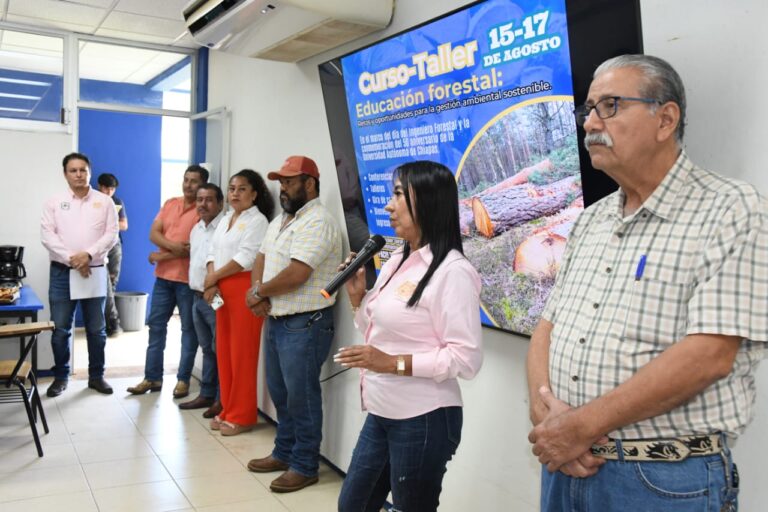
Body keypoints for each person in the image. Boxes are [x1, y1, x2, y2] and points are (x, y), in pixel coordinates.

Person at [526, 54, 768, 511]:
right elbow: (548, 327)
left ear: (666, 119)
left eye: (610, 106)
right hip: (565, 462)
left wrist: (578, 427)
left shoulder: (733, 209)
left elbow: (710, 355)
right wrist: (546, 417)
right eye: (588, 109)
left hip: (662, 480)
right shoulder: (590, 220)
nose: (591, 123)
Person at [335, 161, 484, 512]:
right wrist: (357, 298)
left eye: (399, 195)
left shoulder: (453, 271)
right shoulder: (397, 260)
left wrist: (390, 363)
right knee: (352, 505)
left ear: (428, 201)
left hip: (425, 418)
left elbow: (466, 359)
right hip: (382, 410)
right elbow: (380, 330)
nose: (389, 205)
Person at [245, 155, 342, 493]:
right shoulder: (282, 220)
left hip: (305, 323)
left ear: (310, 183)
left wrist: (259, 292)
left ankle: (304, 464)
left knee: (301, 396)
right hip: (278, 320)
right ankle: (284, 452)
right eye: (281, 182)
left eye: (289, 181)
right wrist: (259, 294)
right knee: (281, 392)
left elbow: (298, 274)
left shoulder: (318, 221)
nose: (282, 188)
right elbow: (261, 257)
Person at [41, 152, 118, 397]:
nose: (78, 174)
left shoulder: (104, 202)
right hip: (63, 273)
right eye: (73, 170)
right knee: (62, 329)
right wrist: (73, 259)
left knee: (97, 329)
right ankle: (61, 377)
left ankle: (97, 376)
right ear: (65, 174)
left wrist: (88, 255)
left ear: (89, 172)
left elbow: (111, 234)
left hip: (93, 270)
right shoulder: (54, 201)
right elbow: (48, 236)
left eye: (82, 170)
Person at [127, 165, 207, 399]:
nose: (188, 185)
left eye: (194, 181)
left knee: (188, 331)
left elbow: (193, 250)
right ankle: (152, 377)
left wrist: (159, 254)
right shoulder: (170, 203)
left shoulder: (202, 210)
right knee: (156, 329)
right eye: (186, 180)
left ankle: (183, 380)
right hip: (162, 279)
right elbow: (154, 234)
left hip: (187, 281)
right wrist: (173, 248)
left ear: (202, 184)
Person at [205, 169, 274, 435]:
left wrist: (212, 279)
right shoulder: (225, 219)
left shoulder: (258, 221)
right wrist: (212, 279)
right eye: (232, 188)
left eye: (242, 189)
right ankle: (227, 408)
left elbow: (246, 257)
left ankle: (243, 415)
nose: (235, 193)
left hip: (243, 287)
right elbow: (212, 250)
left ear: (255, 194)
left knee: (242, 355)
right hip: (222, 287)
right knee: (224, 352)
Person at [178, 183, 225, 418]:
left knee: (220, 349)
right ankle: (206, 393)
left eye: (208, 200)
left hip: (216, 298)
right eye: (199, 199)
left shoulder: (225, 227)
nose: (203, 205)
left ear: (220, 203)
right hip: (195, 296)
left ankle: (221, 398)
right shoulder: (197, 228)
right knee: (207, 349)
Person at [97, 172, 128, 338]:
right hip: (99, 244)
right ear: (99, 186)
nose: (109, 192)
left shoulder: (117, 202)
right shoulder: (93, 201)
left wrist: (112, 221)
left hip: (115, 244)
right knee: (104, 282)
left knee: (112, 282)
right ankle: (113, 321)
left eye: (112, 189)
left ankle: (106, 323)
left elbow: (124, 225)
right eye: (106, 188)